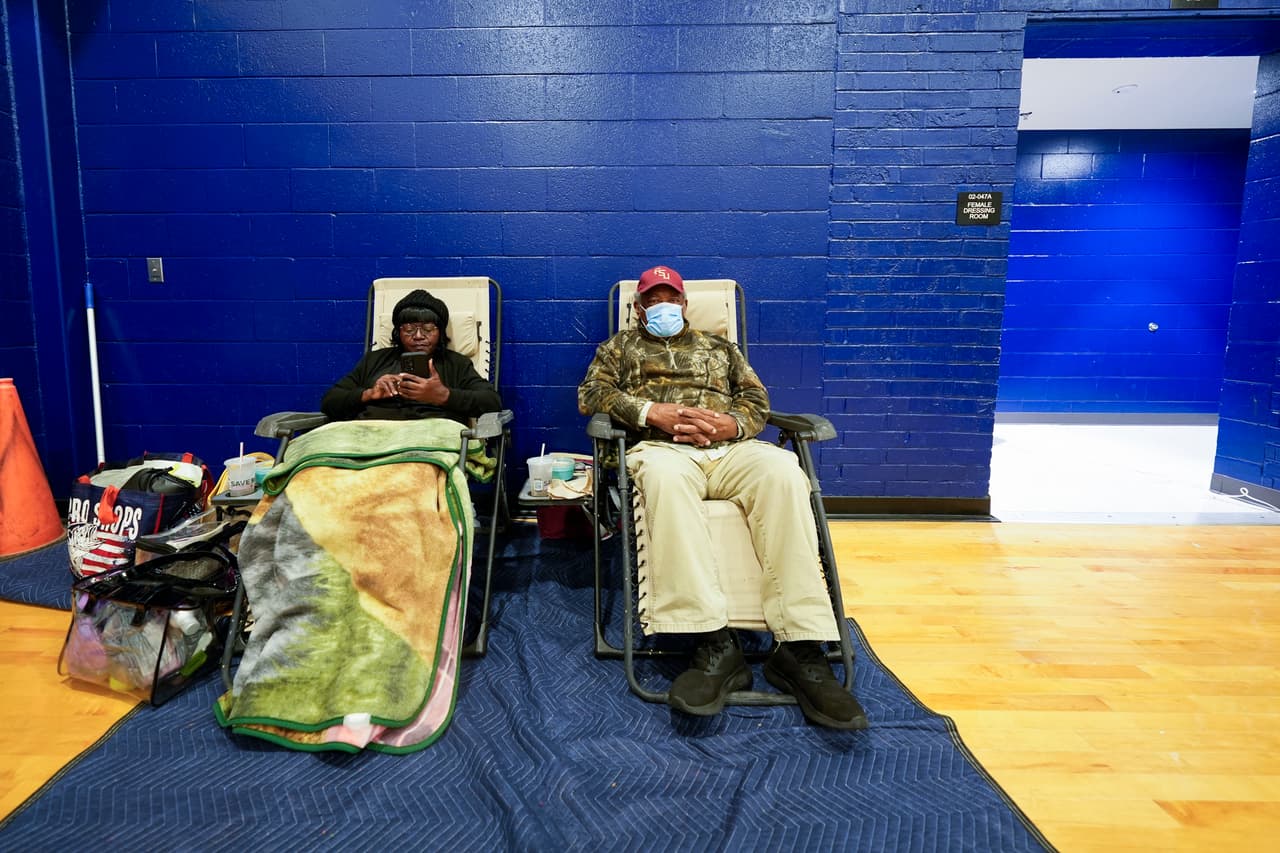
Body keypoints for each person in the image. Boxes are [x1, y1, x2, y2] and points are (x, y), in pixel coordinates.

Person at [578, 265, 867, 730]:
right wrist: (652, 413)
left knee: (783, 473)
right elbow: (591, 395)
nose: (663, 305)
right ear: (638, 307)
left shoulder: (719, 347)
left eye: (671, 298)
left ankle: (801, 647)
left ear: (685, 304)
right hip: (664, 449)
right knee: (664, 481)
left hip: (731, 449)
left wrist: (731, 424)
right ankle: (712, 643)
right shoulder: (619, 348)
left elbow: (756, 401)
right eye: (653, 299)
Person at [322, 289, 502, 424]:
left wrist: (443, 395)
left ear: (440, 332)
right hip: (372, 435)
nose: (418, 336)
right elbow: (330, 401)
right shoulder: (374, 360)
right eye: (409, 329)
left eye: (428, 329)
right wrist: (369, 394)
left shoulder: (456, 363)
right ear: (398, 332)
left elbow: (492, 402)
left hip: (429, 439)